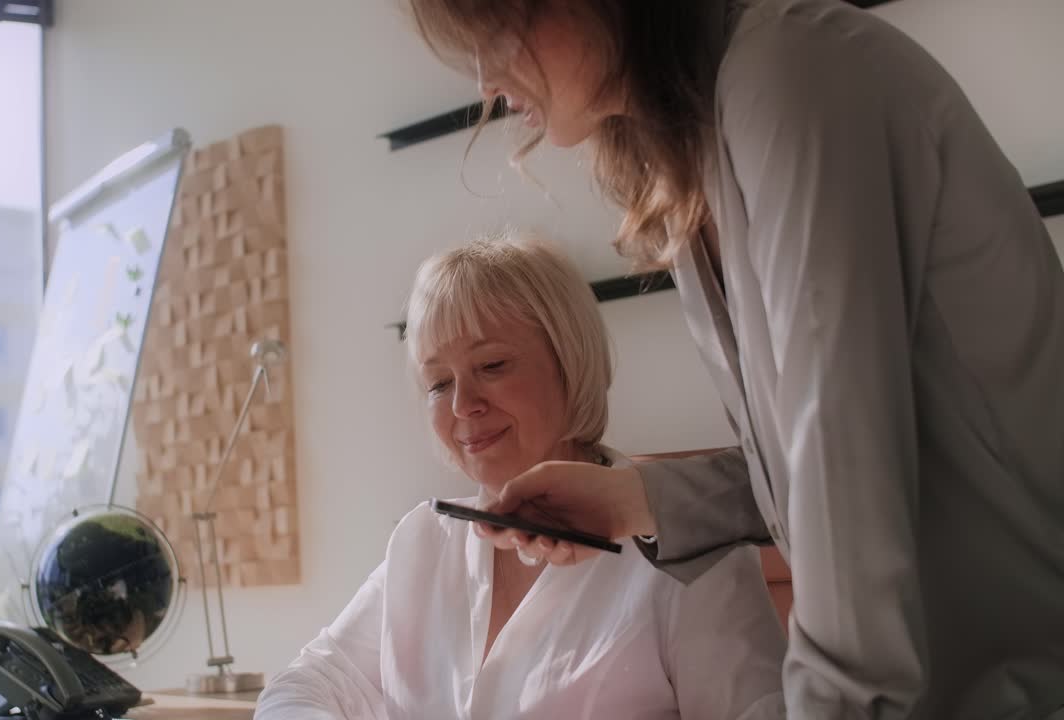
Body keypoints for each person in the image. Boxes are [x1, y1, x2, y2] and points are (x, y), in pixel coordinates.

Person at [405, 0, 1064, 717]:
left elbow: (845, 467)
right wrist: (635, 501)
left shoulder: (790, 75)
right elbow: (822, 466)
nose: (486, 76)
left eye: (498, 28)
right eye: (437, 381)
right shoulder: (700, 156)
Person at [255, 234, 785, 719]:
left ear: (569, 363)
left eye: (492, 366)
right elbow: (301, 687)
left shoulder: (692, 554)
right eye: (439, 383)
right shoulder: (423, 542)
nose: (462, 405)